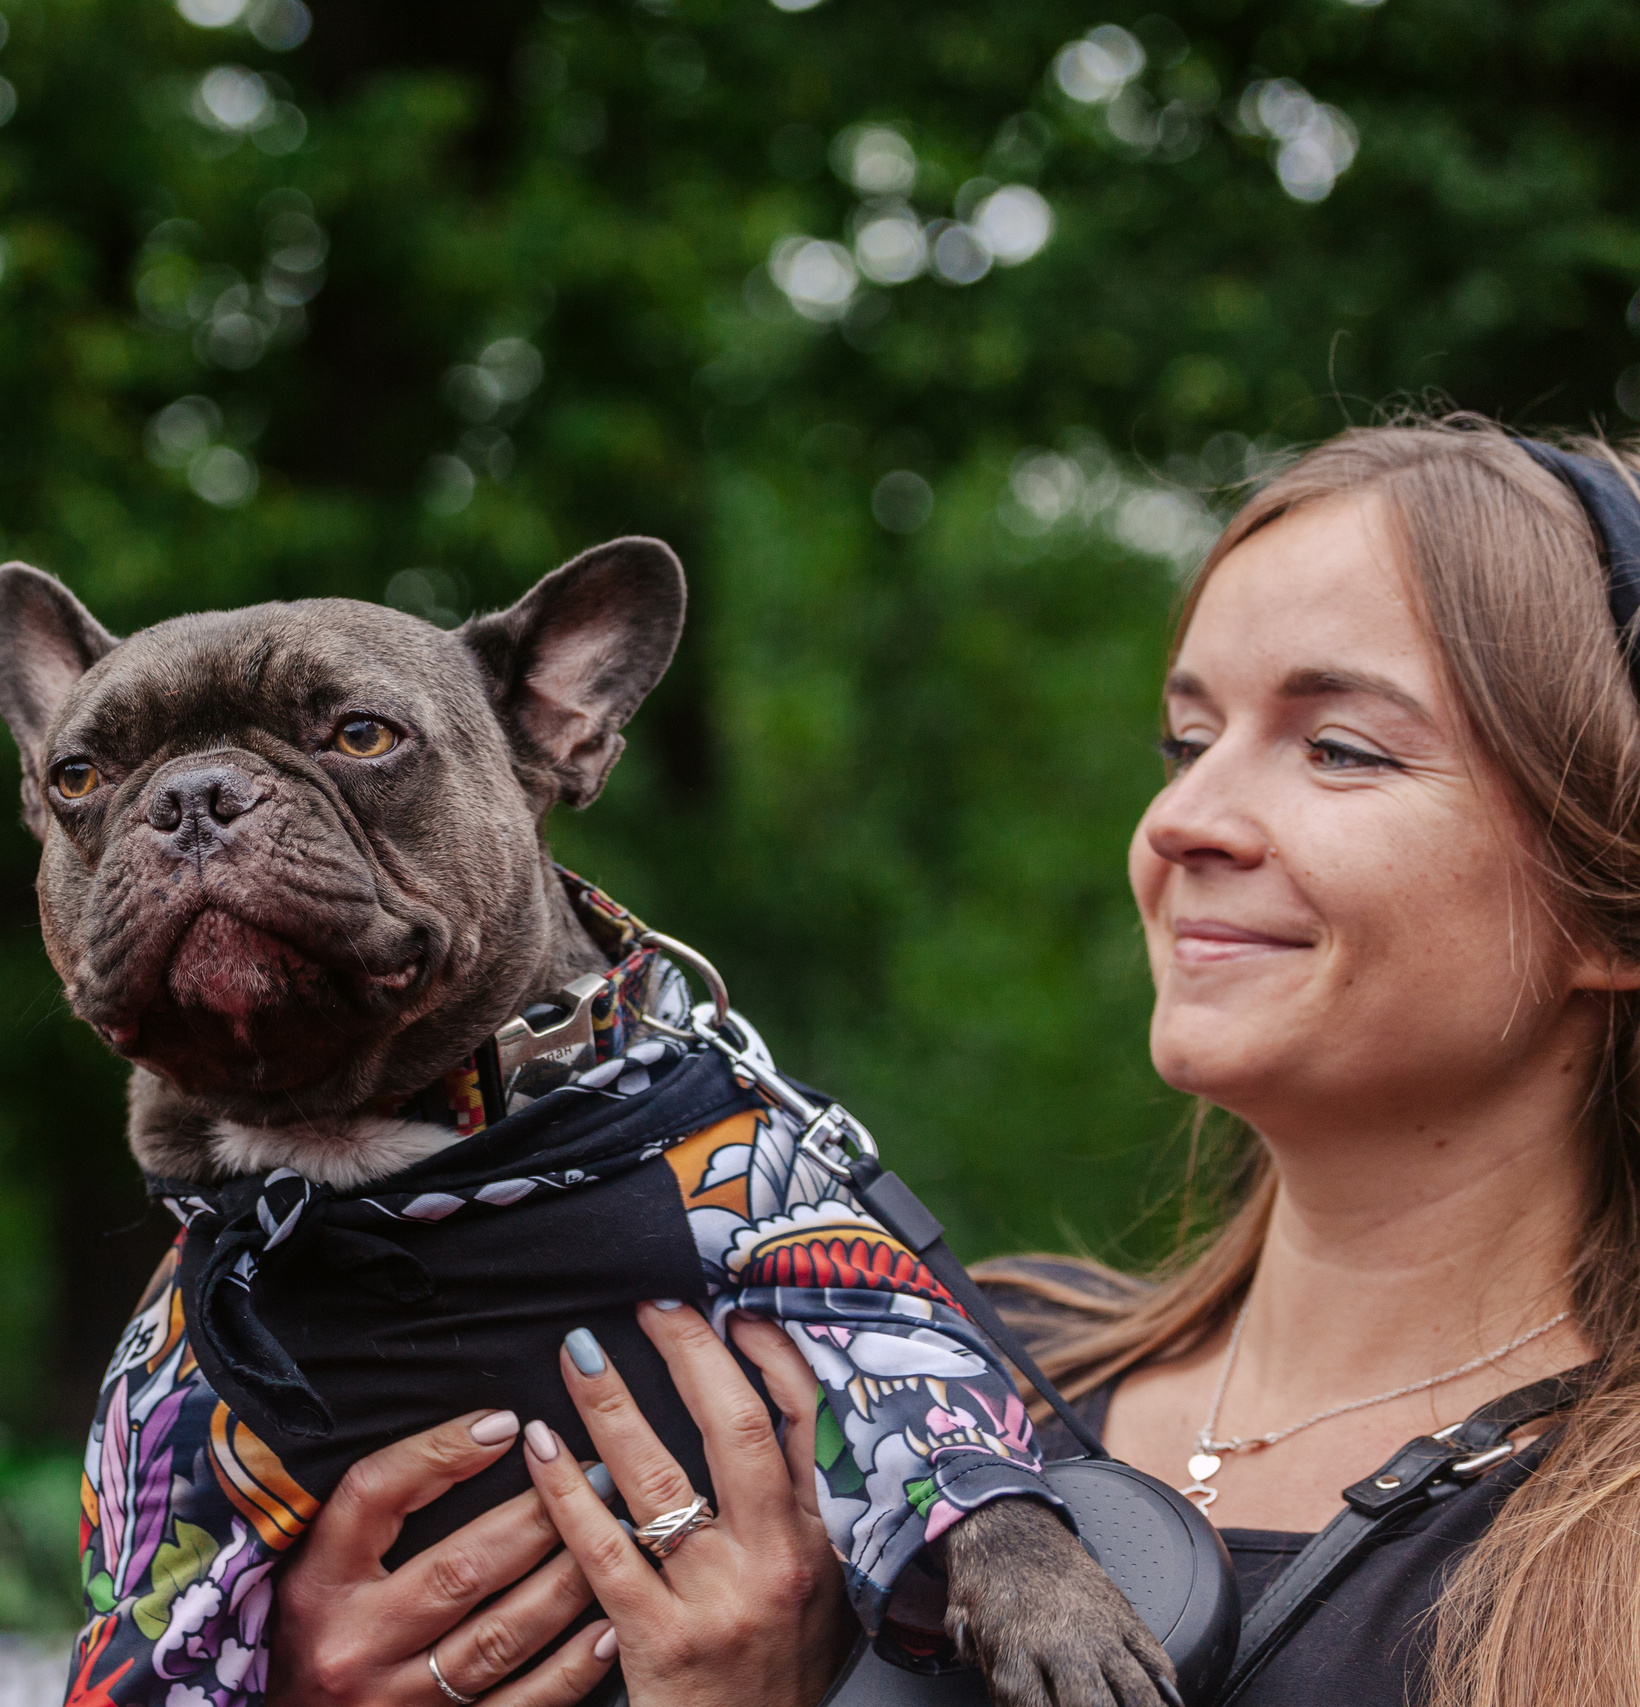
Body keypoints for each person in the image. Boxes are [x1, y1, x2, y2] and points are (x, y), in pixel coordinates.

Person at [259, 418, 1640, 1707]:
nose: (1183, 820)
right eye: (1187, 740)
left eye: (1340, 750)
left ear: (1609, 900)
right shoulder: (908, 1362)